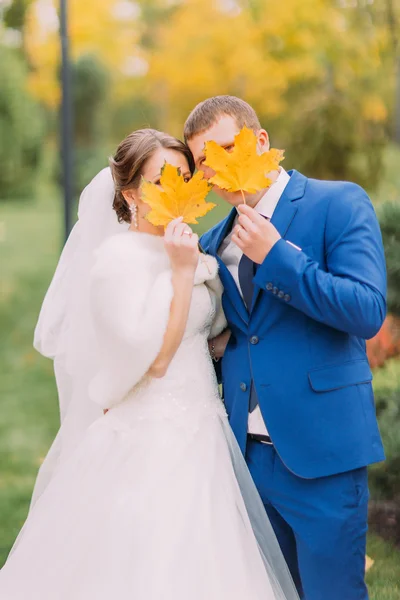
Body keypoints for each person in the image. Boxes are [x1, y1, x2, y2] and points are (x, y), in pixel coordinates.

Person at [0, 129, 299, 600]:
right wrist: (183, 275)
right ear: (130, 193)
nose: (177, 191)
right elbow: (156, 359)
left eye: (184, 177)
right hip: (152, 437)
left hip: (204, 430)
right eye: (162, 181)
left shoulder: (185, 250)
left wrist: (206, 275)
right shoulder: (115, 265)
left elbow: (214, 331)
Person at [185, 96, 387, 600]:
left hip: (322, 452)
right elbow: (239, 332)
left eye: (228, 147)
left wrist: (277, 257)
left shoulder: (337, 203)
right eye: (205, 162)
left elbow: (365, 311)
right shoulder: (212, 242)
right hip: (245, 460)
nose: (218, 169)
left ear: (260, 141)